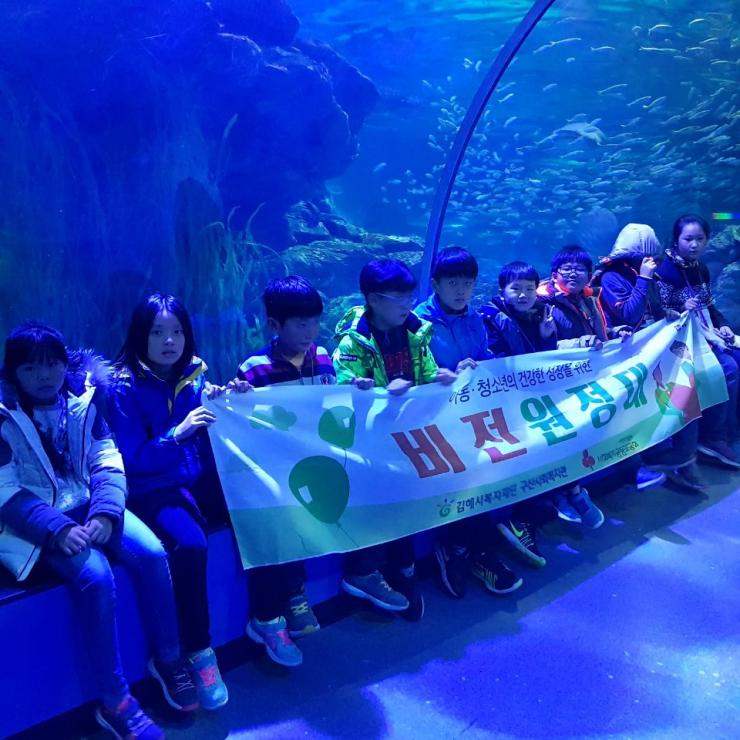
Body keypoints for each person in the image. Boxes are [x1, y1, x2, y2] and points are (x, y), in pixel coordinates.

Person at [0, 323, 195, 740]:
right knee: (96, 576)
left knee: (153, 554)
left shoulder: (84, 400)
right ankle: (115, 700)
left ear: (64, 363)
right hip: (38, 519)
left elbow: (107, 459)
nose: (44, 376)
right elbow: (5, 490)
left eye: (52, 364)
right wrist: (56, 528)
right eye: (30, 368)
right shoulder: (3, 417)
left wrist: (106, 512)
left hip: (91, 501)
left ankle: (169, 659)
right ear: (13, 372)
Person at [110, 293, 242, 710]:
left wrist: (228, 398)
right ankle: (199, 651)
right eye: (157, 332)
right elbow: (132, 460)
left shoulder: (194, 374)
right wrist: (178, 433)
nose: (169, 341)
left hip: (191, 478)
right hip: (150, 489)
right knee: (190, 544)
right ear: (139, 335)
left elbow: (208, 423)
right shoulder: (122, 387)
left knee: (259, 505)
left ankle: (275, 613)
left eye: (177, 331)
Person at [333, 258, 457, 620]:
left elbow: (427, 371)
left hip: (407, 436)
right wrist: (383, 392)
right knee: (380, 502)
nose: (407, 305)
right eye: (398, 298)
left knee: (407, 499)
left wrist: (441, 378)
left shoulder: (416, 330)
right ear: (373, 299)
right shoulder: (352, 342)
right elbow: (344, 391)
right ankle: (366, 571)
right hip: (368, 445)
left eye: (410, 296)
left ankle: (404, 568)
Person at [236, 276, 334, 667]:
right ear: (275, 325)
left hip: (314, 466)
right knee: (279, 521)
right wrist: (236, 400)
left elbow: (333, 406)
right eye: (300, 324)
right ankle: (268, 616)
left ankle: (295, 593)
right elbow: (245, 424)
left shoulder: (323, 358)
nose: (310, 331)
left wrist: (356, 390)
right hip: (274, 472)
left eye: (315, 322)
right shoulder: (254, 369)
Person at [415, 247, 521, 598]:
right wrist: (445, 373)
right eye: (453, 283)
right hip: (437, 423)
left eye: (468, 283)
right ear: (435, 284)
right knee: (460, 479)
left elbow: (483, 356)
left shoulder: (475, 318)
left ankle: (467, 548)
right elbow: (418, 372)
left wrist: (483, 364)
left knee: (488, 471)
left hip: (473, 416)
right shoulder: (418, 324)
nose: (461, 291)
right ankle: (467, 550)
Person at [593, 224, 703, 491]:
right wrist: (643, 279)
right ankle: (660, 461)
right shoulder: (612, 277)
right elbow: (628, 315)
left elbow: (652, 309)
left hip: (653, 353)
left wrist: (668, 313)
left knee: (688, 387)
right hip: (627, 359)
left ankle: (684, 457)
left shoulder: (645, 272)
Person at [537, 245, 632, 528]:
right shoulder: (544, 303)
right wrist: (580, 344)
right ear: (554, 273)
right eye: (566, 268)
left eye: (580, 269)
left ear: (589, 274)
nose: (573, 274)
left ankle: (610, 476)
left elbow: (596, 333)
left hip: (588, 379)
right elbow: (541, 347)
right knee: (565, 436)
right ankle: (567, 493)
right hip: (559, 386)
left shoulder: (588, 299)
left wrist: (613, 332)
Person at [656, 214, 740, 468]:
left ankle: (728, 430)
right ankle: (714, 437)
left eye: (699, 239)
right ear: (676, 240)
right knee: (728, 368)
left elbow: (710, 306)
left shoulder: (700, 269)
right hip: (680, 342)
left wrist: (723, 326)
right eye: (688, 239)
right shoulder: (665, 270)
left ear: (707, 240)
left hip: (706, 333)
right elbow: (659, 312)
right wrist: (682, 307)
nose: (694, 244)